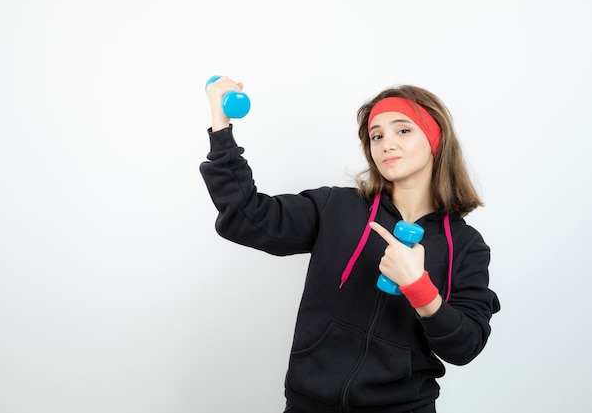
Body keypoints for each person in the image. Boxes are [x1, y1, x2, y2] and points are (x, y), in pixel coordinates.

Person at [200, 77, 501, 413]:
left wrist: (419, 288)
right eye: (377, 135)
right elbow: (247, 216)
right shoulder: (336, 207)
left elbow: (466, 345)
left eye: (403, 130)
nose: (387, 143)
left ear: (435, 139)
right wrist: (221, 128)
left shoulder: (465, 245)